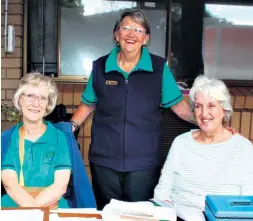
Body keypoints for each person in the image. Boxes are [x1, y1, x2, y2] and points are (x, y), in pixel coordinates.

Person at [71, 9, 193, 210]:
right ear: (116, 34)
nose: (131, 34)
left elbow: (180, 106)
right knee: (107, 213)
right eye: (125, 28)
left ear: (146, 39)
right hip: (104, 162)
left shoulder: (159, 68)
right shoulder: (100, 67)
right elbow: (88, 103)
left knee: (140, 215)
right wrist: (70, 127)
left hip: (144, 164)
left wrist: (208, 123)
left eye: (138, 30)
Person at [154, 75, 253, 212]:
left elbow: (249, 199)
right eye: (198, 106)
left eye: (211, 106)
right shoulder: (181, 143)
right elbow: (163, 191)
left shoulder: (243, 148)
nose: (204, 113)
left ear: (224, 110)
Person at [1, 73, 72, 208]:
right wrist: (32, 210)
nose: (36, 103)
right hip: (14, 204)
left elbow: (61, 185)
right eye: (30, 96)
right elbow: (10, 184)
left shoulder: (59, 137)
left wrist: (33, 209)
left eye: (42, 98)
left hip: (52, 204)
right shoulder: (7, 139)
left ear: (48, 104)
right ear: (20, 100)